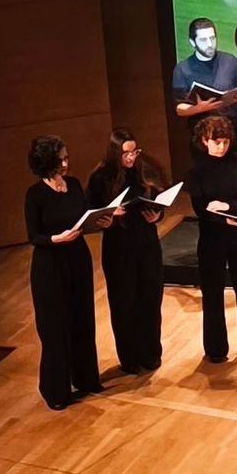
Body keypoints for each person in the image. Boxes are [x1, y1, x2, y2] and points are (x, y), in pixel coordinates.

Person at [24, 135, 104, 410]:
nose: (67, 163)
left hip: (77, 259)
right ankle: (55, 390)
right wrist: (56, 239)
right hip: (50, 266)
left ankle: (86, 379)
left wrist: (100, 220)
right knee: (55, 328)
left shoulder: (73, 185)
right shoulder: (35, 195)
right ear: (47, 162)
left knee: (82, 319)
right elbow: (34, 235)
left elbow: (83, 217)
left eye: (67, 158)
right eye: (61, 160)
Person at [87, 128, 167, 375]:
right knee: (124, 303)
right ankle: (130, 358)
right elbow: (91, 214)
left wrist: (157, 215)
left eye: (134, 151)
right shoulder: (100, 178)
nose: (132, 158)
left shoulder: (145, 170)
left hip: (146, 244)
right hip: (119, 248)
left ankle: (151, 353)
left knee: (150, 300)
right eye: (126, 153)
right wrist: (108, 218)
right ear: (115, 153)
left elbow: (159, 199)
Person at [185, 115, 237, 362]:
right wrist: (222, 219)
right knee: (213, 293)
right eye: (216, 142)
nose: (221, 147)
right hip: (212, 240)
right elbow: (200, 208)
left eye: (226, 142)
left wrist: (227, 207)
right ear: (204, 141)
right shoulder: (197, 170)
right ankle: (216, 349)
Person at [171, 17, 237, 156]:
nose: (210, 44)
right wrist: (199, 108)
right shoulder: (183, 69)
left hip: (233, 134)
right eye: (203, 40)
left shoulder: (230, 61)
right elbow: (179, 108)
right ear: (193, 42)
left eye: (213, 38)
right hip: (203, 138)